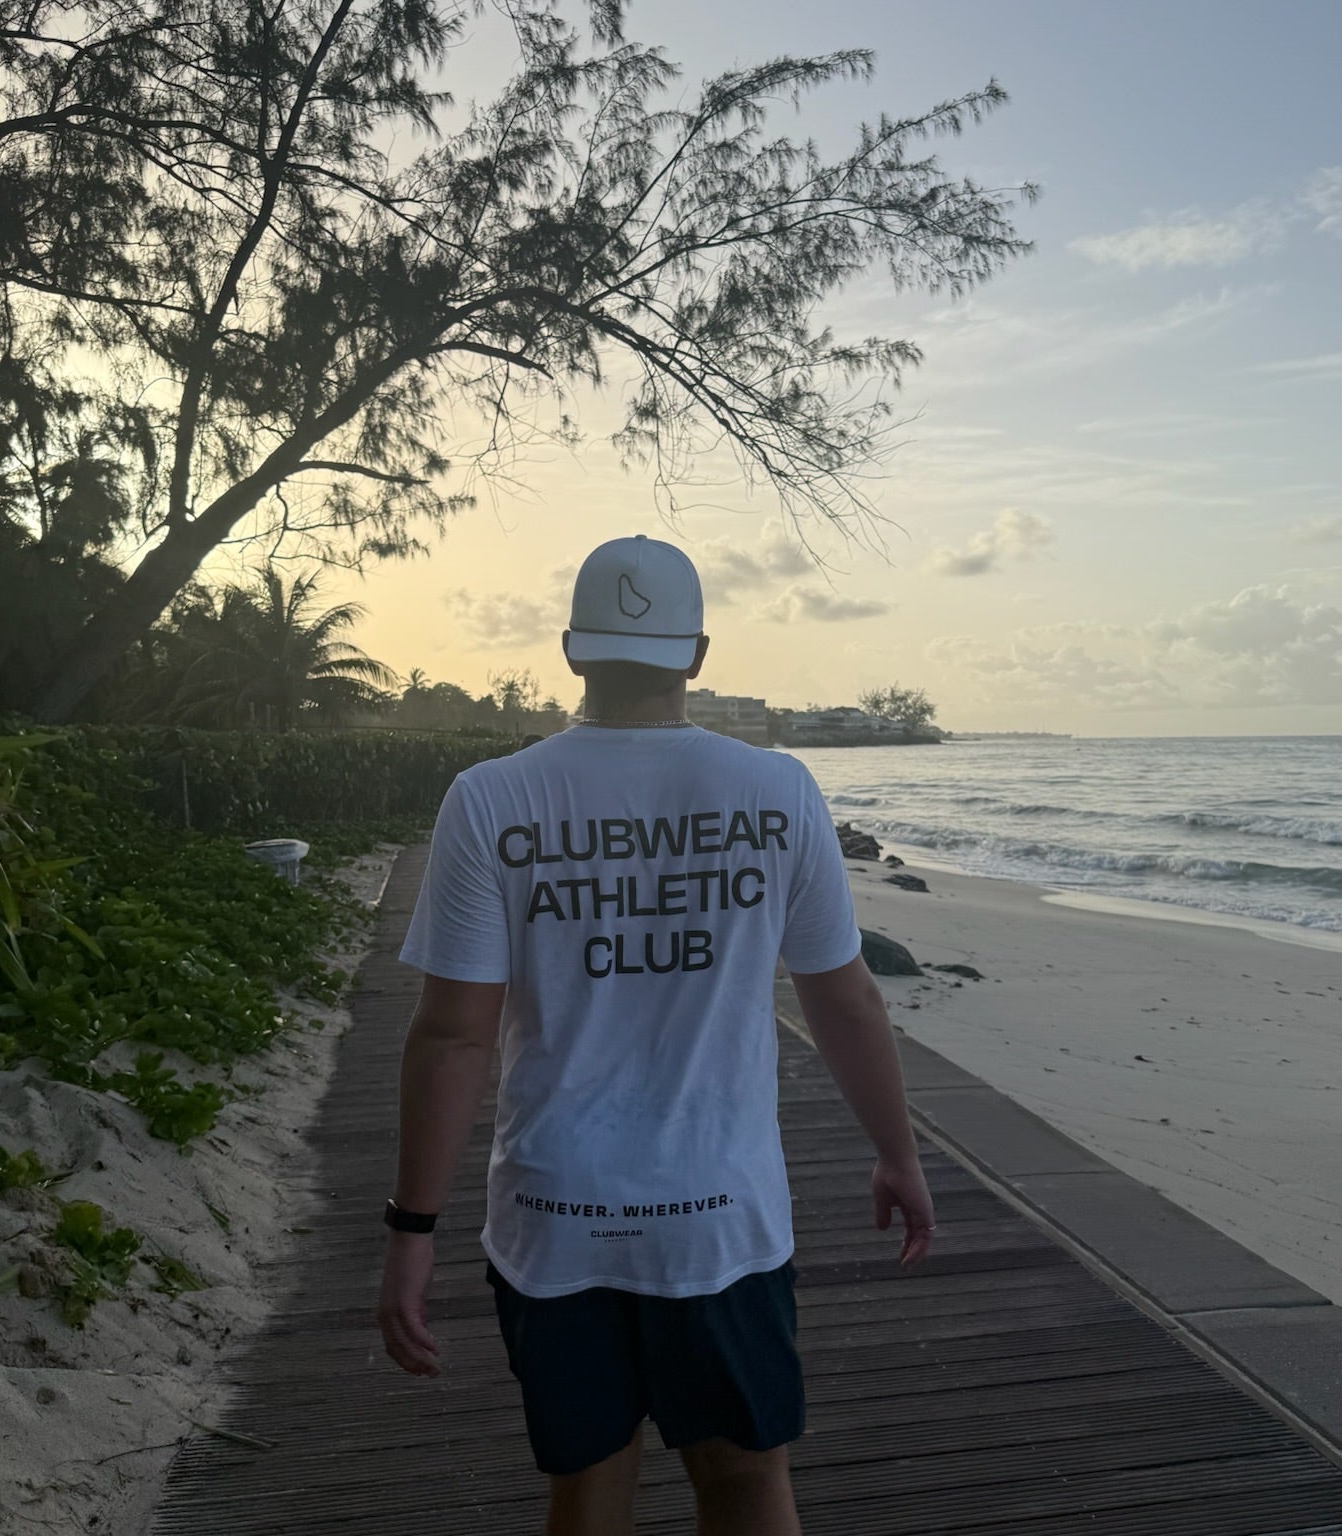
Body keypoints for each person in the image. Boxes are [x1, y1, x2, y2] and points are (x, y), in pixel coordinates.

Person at [376, 534, 936, 1536]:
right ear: (699, 654)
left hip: (553, 1212)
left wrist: (411, 1232)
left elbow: (453, 1038)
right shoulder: (778, 793)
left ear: (571, 651)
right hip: (720, 1219)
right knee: (747, 1481)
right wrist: (898, 1153)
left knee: (589, 1487)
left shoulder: (492, 798)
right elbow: (844, 1000)